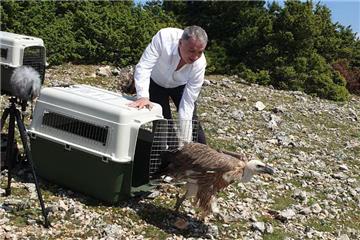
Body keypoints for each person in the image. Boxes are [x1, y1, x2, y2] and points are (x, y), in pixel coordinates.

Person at [128, 25, 207, 144]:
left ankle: (205, 157)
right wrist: (143, 96)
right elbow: (144, 66)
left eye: (200, 52)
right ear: (180, 43)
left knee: (192, 121)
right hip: (156, 83)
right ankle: (169, 156)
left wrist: (186, 142)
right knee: (163, 123)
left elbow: (187, 103)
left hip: (181, 85)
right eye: (191, 51)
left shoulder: (199, 64)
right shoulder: (164, 38)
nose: (195, 57)